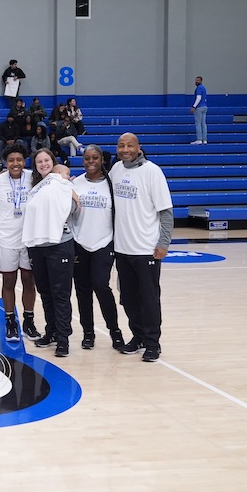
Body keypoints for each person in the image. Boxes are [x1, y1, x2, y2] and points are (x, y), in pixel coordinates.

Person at [110, 133, 174, 363]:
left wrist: (163, 243)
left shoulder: (152, 171)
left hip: (146, 248)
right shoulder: (116, 170)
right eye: (121, 145)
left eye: (130, 145)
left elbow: (166, 212)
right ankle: (137, 336)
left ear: (138, 148)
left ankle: (152, 343)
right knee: (127, 298)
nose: (125, 149)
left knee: (148, 298)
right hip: (122, 248)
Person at [22, 151, 79, 358]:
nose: (43, 164)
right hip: (38, 246)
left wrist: (69, 192)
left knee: (60, 294)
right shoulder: (36, 188)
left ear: (53, 163)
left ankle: (63, 339)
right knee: (45, 292)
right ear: (35, 165)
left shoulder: (62, 183)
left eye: (47, 160)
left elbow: (74, 209)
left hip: (60, 244)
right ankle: (51, 331)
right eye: (39, 161)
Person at [71, 145, 124, 351]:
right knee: (82, 290)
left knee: (101, 286)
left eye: (94, 158)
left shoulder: (111, 184)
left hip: (104, 242)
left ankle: (115, 331)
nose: (90, 161)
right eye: (86, 158)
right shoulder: (75, 183)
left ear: (102, 159)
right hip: (80, 242)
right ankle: (88, 333)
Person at [0, 143, 39, 342]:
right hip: (6, 239)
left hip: (29, 238)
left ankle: (29, 320)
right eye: (11, 160)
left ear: (25, 161)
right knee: (8, 282)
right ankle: (11, 321)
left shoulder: (32, 178)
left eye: (19, 159)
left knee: (29, 281)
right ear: (6, 162)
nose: (15, 163)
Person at [190, 76, 208, 144]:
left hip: (199, 107)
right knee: (203, 124)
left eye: (198, 80)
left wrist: (194, 106)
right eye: (196, 80)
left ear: (201, 81)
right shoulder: (204, 88)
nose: (196, 81)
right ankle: (205, 139)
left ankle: (199, 139)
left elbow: (198, 98)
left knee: (198, 124)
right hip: (204, 107)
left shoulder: (199, 88)